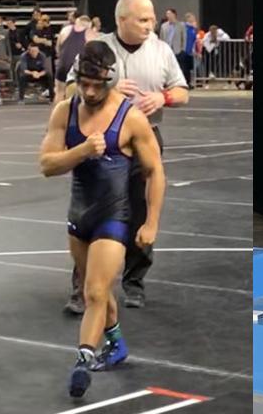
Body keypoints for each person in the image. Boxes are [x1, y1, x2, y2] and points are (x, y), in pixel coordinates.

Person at [39, 40, 165, 397]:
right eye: (84, 83)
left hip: (114, 217)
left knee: (95, 290)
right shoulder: (64, 111)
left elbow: (155, 172)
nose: (90, 91)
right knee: (98, 289)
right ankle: (116, 343)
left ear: (110, 80)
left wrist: (151, 222)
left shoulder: (131, 118)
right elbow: (46, 165)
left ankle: (83, 360)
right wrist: (82, 150)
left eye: (97, 85)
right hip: (79, 216)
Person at [63, 0, 188, 313]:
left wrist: (163, 98)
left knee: (139, 210)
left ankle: (134, 283)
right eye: (143, 19)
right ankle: (82, 289)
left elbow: (182, 91)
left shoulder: (161, 51)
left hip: (144, 137)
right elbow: (70, 88)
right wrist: (105, 87)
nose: (150, 25)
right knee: (90, 213)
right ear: (122, 20)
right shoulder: (97, 49)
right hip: (102, 141)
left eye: (152, 19)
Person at [54, 15, 97, 104]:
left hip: (63, 65)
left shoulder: (65, 30)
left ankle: (57, 112)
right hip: (77, 67)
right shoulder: (91, 34)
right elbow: (94, 55)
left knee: (59, 92)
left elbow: (58, 49)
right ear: (89, 25)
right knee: (79, 94)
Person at [159, 9, 188, 86]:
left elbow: (184, 37)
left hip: (177, 50)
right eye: (167, 14)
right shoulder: (164, 26)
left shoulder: (181, 25)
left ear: (174, 15)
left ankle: (180, 83)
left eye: (169, 13)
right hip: (166, 50)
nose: (168, 15)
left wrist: (183, 49)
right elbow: (161, 38)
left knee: (179, 67)